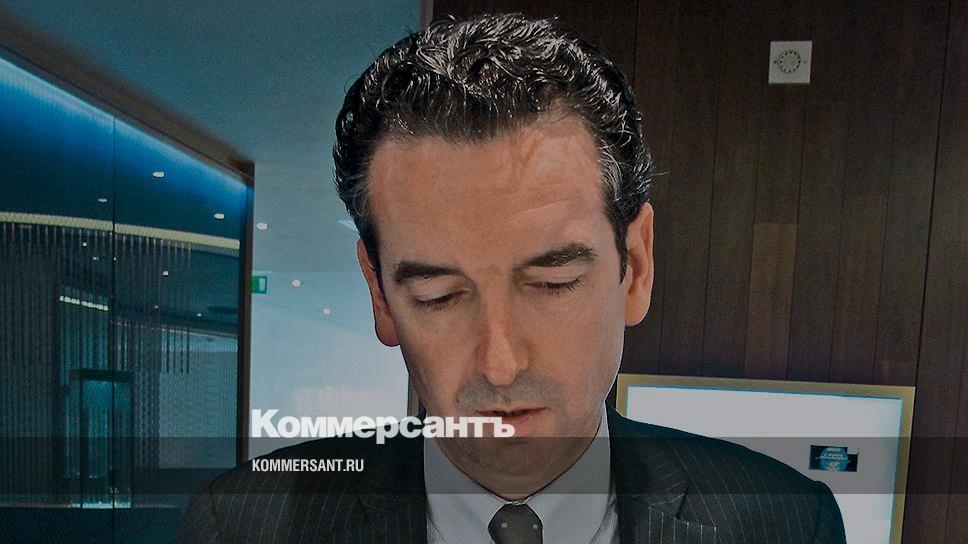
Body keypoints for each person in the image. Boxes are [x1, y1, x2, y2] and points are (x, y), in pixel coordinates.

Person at [177, 12, 846, 544]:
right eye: (439, 296)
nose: (500, 364)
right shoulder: (242, 525)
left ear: (635, 266)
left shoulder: (783, 520)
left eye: (553, 283)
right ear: (380, 294)